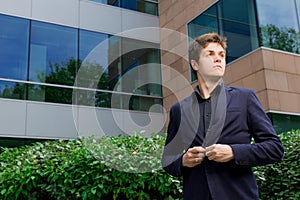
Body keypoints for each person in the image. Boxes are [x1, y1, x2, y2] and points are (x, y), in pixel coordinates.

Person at [161, 32, 284, 200]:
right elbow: (168, 160)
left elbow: (274, 148)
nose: (218, 59)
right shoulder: (179, 109)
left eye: (221, 55)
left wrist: (234, 152)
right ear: (195, 64)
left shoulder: (245, 98)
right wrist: (183, 160)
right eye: (210, 54)